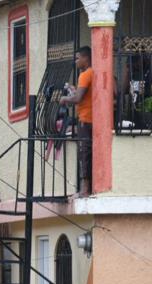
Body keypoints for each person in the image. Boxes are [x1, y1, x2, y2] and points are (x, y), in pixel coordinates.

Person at [59, 46, 93, 195]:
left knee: (84, 152)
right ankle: (87, 187)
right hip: (92, 118)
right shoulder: (92, 73)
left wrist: (65, 98)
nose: (76, 61)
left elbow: (78, 98)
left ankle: (85, 189)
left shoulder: (85, 75)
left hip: (86, 119)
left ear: (86, 58)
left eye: (78, 58)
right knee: (88, 152)